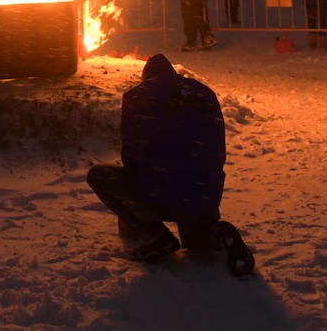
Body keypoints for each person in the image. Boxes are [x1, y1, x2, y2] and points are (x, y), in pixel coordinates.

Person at [86, 54, 226, 261]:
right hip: (203, 195)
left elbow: (131, 154)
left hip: (160, 193)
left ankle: (155, 234)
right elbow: (217, 149)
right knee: (198, 241)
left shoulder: (138, 96)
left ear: (146, 77)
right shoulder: (203, 93)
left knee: (99, 175)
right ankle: (209, 232)